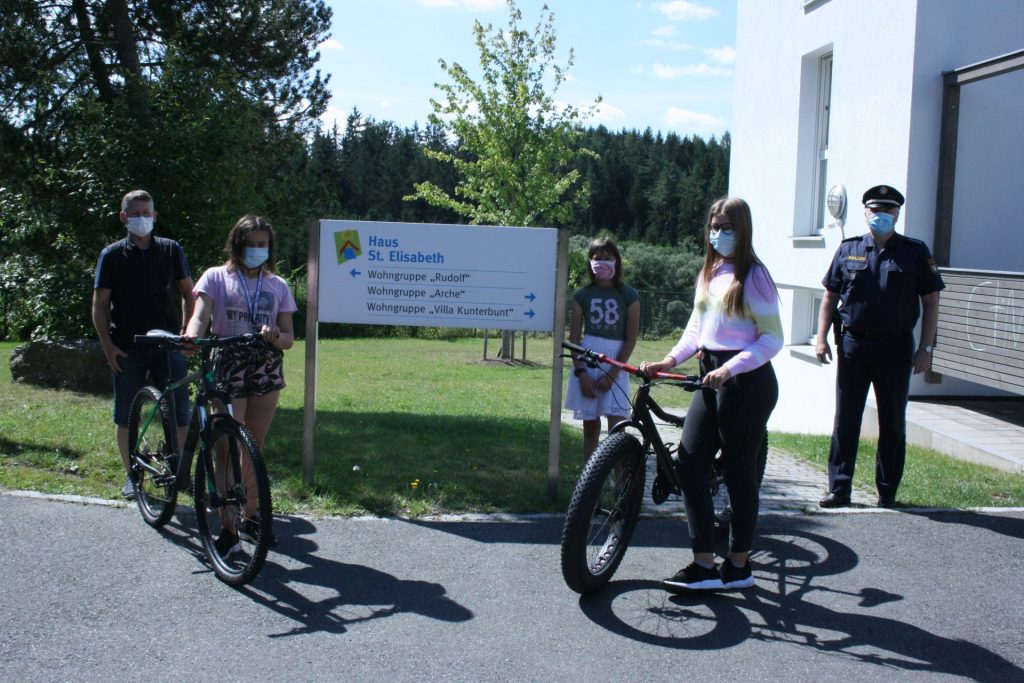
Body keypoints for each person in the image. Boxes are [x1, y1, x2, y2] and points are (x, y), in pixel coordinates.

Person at [639, 197, 782, 592]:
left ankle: (738, 566)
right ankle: (703, 563)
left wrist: (730, 369)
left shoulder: (755, 276)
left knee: (739, 471)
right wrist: (667, 360)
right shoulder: (710, 272)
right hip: (710, 375)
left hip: (747, 382)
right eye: (714, 226)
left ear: (744, 230)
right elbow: (695, 330)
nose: (718, 234)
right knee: (689, 463)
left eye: (727, 227)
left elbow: (773, 340)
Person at [815, 185, 945, 509]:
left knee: (892, 421)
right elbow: (830, 296)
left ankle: (887, 491)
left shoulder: (915, 252)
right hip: (854, 346)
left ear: (897, 215)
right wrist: (819, 338)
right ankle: (839, 489)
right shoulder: (848, 250)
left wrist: (926, 348)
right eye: (876, 211)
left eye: (888, 212)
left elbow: (931, 300)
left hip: (896, 348)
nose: (881, 217)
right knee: (846, 419)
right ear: (866, 213)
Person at [185, 214, 296, 553]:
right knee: (227, 448)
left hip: (264, 366)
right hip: (229, 363)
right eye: (251, 244)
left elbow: (289, 337)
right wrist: (192, 335)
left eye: (263, 245)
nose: (257, 250)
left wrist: (276, 336)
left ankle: (250, 518)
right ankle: (228, 527)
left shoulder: (278, 285)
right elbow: (200, 315)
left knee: (253, 447)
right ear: (237, 243)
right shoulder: (216, 277)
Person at [92, 190, 194, 500]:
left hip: (168, 347)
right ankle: (132, 475)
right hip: (127, 348)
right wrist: (107, 345)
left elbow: (189, 294)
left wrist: (186, 333)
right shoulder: (111, 255)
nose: (142, 218)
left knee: (180, 415)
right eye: (135, 213)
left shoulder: (171, 250)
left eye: (146, 213)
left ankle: (181, 474)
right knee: (127, 416)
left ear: (155, 215)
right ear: (123, 217)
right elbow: (99, 305)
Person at [565, 237, 640, 460]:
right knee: (590, 426)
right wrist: (581, 374)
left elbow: (631, 338)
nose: (602, 263)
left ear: (617, 261)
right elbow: (574, 339)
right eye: (597, 258)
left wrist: (613, 374)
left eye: (608, 258)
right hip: (588, 359)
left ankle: (620, 486)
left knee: (617, 429)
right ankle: (591, 484)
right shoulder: (582, 295)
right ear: (589, 262)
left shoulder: (629, 295)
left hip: (616, 362)